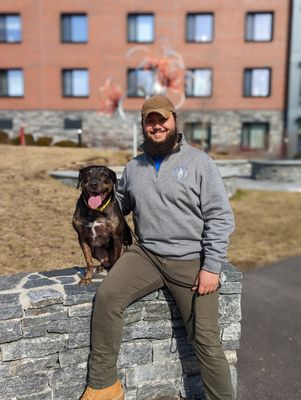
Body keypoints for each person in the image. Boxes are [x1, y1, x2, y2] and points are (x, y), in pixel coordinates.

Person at [81, 95, 235, 400]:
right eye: (150, 120)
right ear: (143, 125)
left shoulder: (199, 163)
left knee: (204, 339)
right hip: (147, 254)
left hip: (192, 260)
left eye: (162, 119)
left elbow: (220, 216)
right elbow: (121, 205)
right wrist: (93, 203)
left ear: (174, 120)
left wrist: (211, 267)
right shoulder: (134, 166)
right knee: (108, 297)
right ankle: (104, 386)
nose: (156, 126)